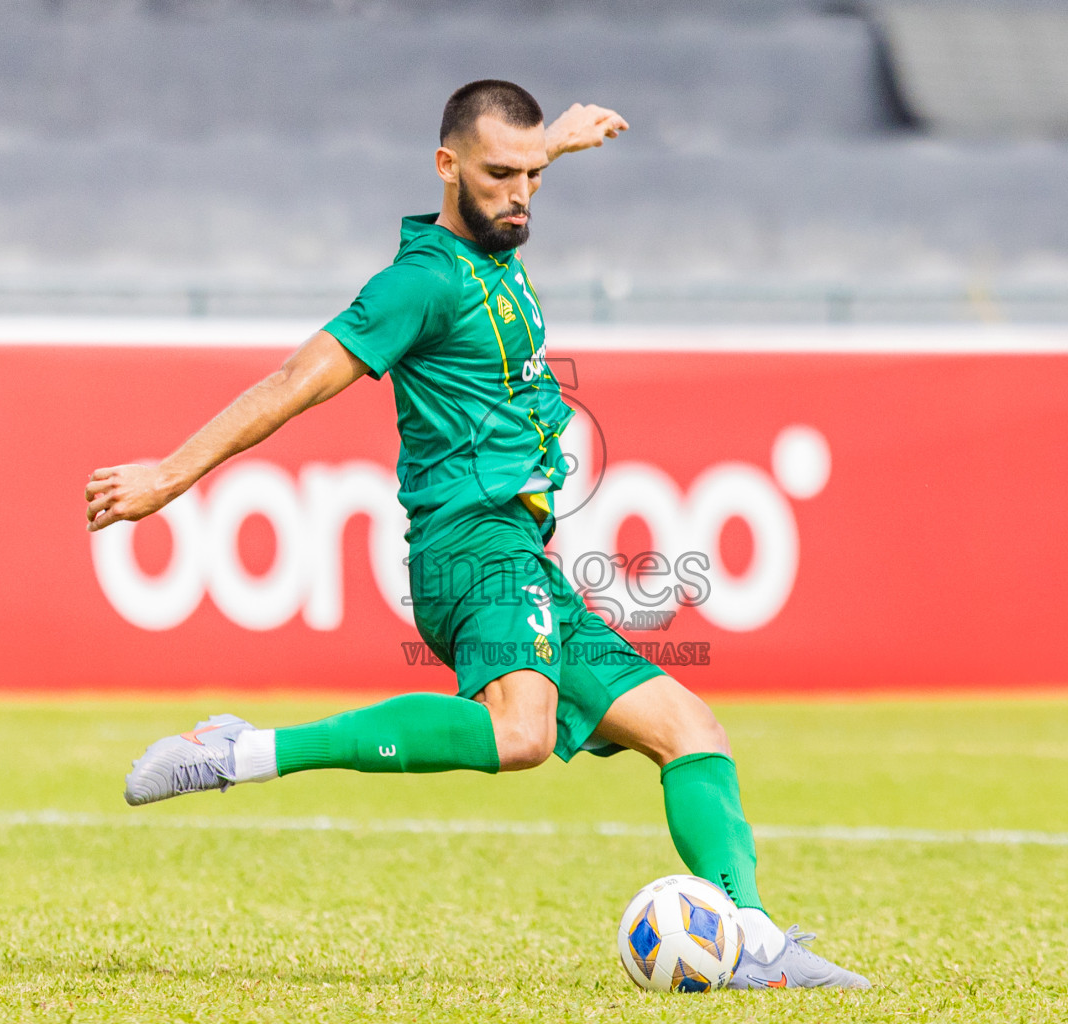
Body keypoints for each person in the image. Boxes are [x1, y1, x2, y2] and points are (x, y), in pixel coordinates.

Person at [84, 79, 868, 991]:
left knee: (691, 731)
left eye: (533, 174)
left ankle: (753, 940)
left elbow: (511, 188)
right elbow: (298, 377)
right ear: (447, 168)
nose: (522, 193)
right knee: (521, 733)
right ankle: (241, 753)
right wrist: (168, 476)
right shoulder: (416, 284)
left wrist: (556, 146)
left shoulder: (499, 233)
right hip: (469, 551)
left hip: (525, 555)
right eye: (501, 173)